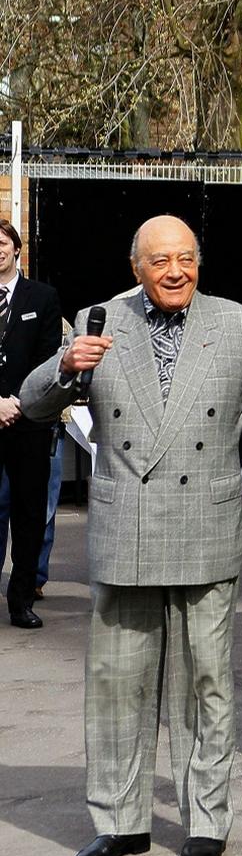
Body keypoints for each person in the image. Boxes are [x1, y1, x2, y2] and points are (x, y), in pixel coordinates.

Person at [20, 215, 242, 856]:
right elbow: (33, 401)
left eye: (186, 258)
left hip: (204, 527)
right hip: (126, 529)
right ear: (136, 267)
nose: (175, 271)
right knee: (117, 686)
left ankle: (206, 820)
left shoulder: (236, 324)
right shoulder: (99, 320)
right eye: (161, 260)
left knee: (205, 685)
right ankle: (119, 823)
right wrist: (64, 365)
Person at [0, 216, 62, 629]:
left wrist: (18, 404)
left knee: (29, 516)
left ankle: (21, 600)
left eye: (3, 243)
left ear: (17, 249)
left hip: (29, 425)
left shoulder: (43, 297)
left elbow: (48, 360)